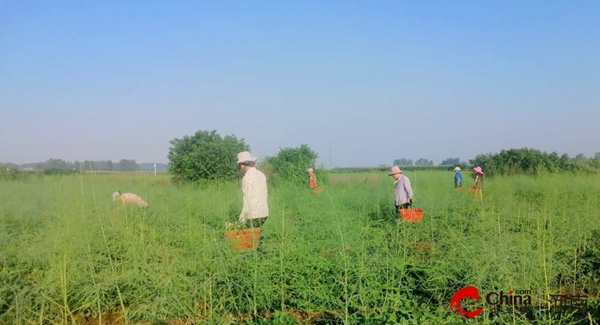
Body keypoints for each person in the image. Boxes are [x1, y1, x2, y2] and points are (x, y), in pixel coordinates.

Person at [235, 151, 269, 229]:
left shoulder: (247, 178)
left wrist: (241, 218)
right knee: (257, 235)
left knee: (248, 237)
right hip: (264, 213)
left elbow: (247, 199)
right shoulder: (261, 174)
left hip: (253, 215)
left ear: (242, 165)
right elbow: (265, 194)